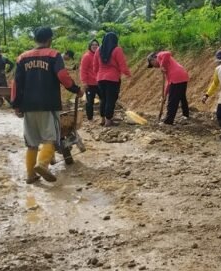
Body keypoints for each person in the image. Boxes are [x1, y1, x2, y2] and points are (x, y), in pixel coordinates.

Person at [11, 27, 82, 184]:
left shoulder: (23, 58)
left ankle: (30, 175)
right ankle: (42, 164)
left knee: (32, 142)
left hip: (28, 106)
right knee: (51, 139)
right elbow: (63, 76)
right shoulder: (53, 55)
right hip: (48, 104)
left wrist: (16, 104)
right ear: (50, 39)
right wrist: (76, 89)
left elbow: (16, 83)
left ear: (35, 39)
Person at [96, 32, 131, 127]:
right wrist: (128, 74)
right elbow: (122, 65)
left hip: (100, 79)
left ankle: (102, 119)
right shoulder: (117, 50)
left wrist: (97, 75)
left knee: (103, 99)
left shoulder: (99, 50)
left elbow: (95, 65)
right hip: (112, 79)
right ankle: (108, 121)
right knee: (110, 100)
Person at [147, 50, 190, 124]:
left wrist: (162, 65)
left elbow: (168, 53)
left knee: (172, 100)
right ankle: (186, 115)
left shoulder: (159, 56)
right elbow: (169, 83)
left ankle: (168, 121)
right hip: (182, 75)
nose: (154, 67)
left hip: (177, 76)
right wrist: (164, 96)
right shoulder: (165, 68)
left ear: (153, 59)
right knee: (182, 97)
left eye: (152, 64)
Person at [79, 39, 101, 121]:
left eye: (96, 45)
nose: (95, 46)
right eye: (93, 45)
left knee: (104, 99)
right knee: (90, 102)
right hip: (90, 83)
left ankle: (103, 117)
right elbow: (83, 70)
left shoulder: (100, 55)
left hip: (100, 82)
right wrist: (84, 82)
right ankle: (90, 118)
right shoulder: (87, 56)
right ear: (90, 46)